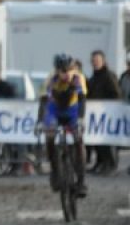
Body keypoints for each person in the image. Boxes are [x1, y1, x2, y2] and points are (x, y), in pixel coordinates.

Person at [36, 53, 87, 197]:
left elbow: (82, 99)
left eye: (69, 70)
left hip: (72, 111)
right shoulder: (50, 79)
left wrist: (81, 118)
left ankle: (81, 181)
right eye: (63, 71)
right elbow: (44, 101)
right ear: (57, 71)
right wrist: (40, 121)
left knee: (79, 139)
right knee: (50, 135)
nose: (66, 74)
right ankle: (55, 170)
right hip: (55, 110)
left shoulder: (78, 77)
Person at [87, 50, 121, 175]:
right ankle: (100, 163)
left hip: (107, 114)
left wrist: (108, 107)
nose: (95, 63)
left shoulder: (108, 76)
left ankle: (110, 165)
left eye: (97, 60)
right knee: (97, 142)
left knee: (107, 142)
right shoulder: (94, 77)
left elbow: (116, 94)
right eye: (93, 61)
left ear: (103, 61)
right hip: (95, 115)